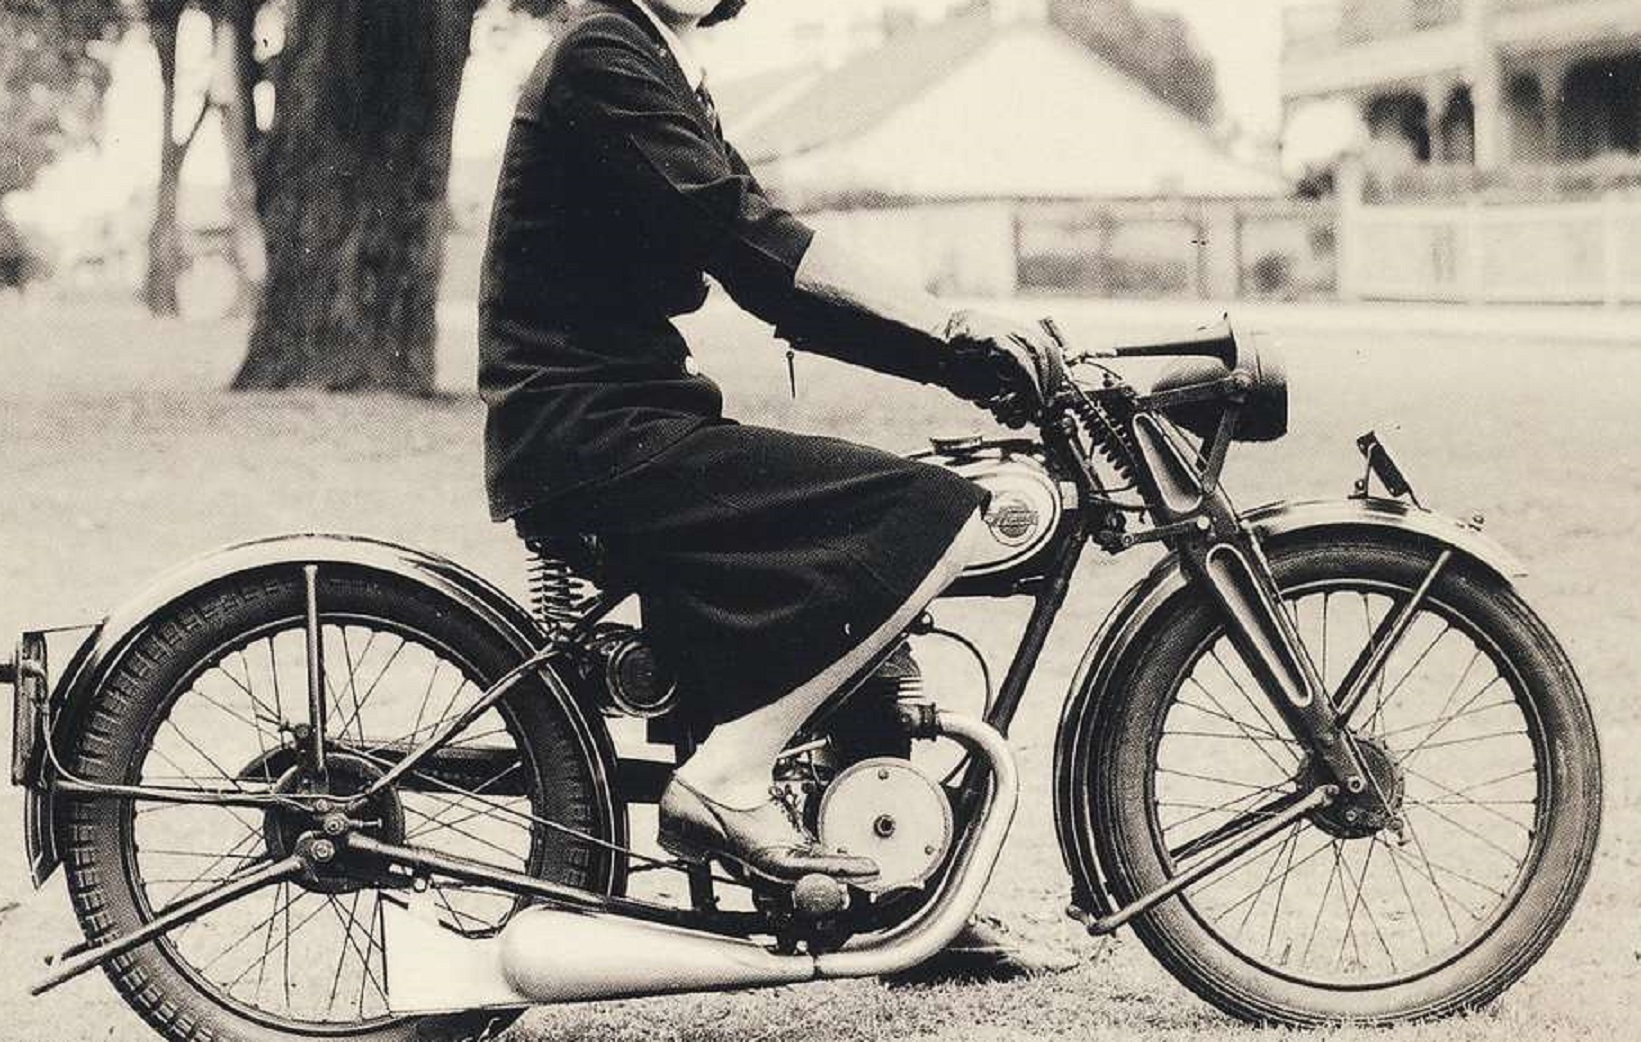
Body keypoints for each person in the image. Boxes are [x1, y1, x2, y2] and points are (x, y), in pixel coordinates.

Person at [480, 0, 1075, 980]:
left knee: (861, 573)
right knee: (928, 512)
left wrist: (958, 362)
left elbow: (775, 285)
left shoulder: (661, 66)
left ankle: (894, 896)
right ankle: (725, 779)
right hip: (596, 431)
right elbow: (749, 237)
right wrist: (954, 325)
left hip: (621, 420)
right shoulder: (604, 52)